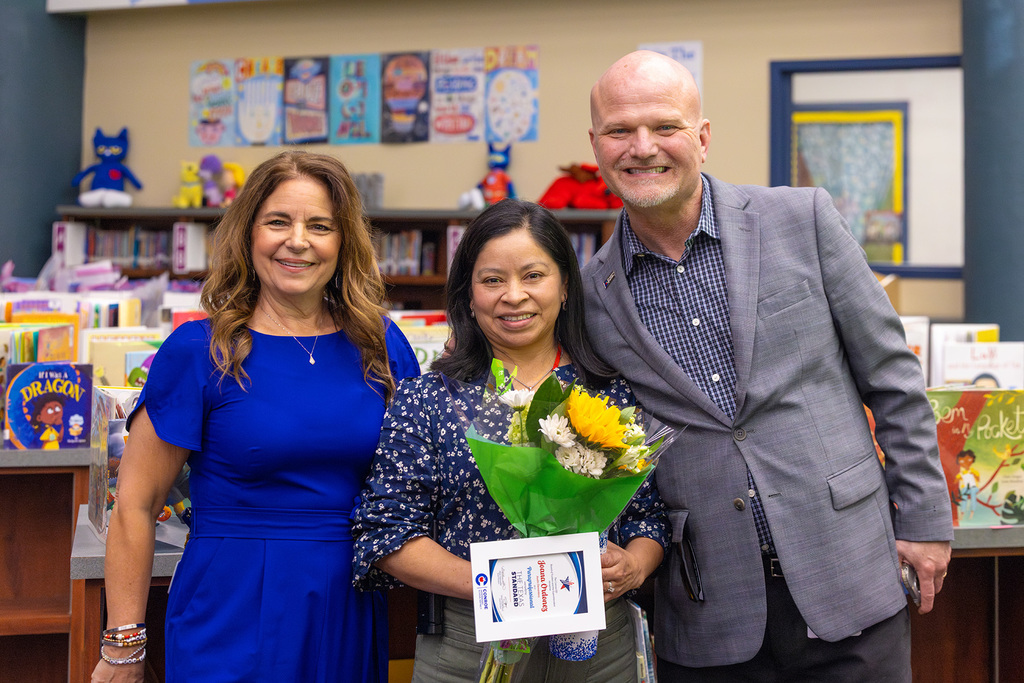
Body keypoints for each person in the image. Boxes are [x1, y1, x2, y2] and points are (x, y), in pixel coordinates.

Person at [581, 50, 954, 681]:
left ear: (701, 137)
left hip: (849, 574)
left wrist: (923, 517)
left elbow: (891, 375)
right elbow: (609, 447)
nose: (642, 147)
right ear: (596, 145)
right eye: (620, 130)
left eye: (664, 126)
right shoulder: (591, 293)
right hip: (705, 607)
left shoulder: (801, 219)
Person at [91, 150, 420, 683]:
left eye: (320, 225)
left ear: (343, 242)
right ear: (248, 234)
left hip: (348, 602)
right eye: (278, 222)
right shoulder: (198, 350)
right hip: (232, 604)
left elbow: (418, 478)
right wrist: (123, 646)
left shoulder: (381, 344)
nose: (298, 240)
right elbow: (135, 504)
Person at [352, 198, 668, 682]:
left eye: (533, 276)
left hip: (599, 649)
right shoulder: (429, 400)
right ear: (469, 295)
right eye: (492, 279)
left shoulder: (608, 395)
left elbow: (648, 517)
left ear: (565, 287)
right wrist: (502, 586)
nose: (513, 295)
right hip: (466, 644)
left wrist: (636, 565)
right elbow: (386, 532)